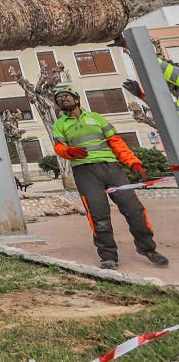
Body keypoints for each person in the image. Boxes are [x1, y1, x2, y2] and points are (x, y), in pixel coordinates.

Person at [51, 87, 168, 270]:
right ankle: (108, 256)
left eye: (66, 96)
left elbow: (116, 142)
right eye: (59, 98)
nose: (63, 99)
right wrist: (68, 151)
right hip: (84, 172)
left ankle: (148, 249)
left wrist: (132, 162)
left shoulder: (96, 118)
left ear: (77, 99)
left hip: (111, 168)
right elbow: (59, 147)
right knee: (98, 215)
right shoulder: (59, 125)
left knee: (134, 209)